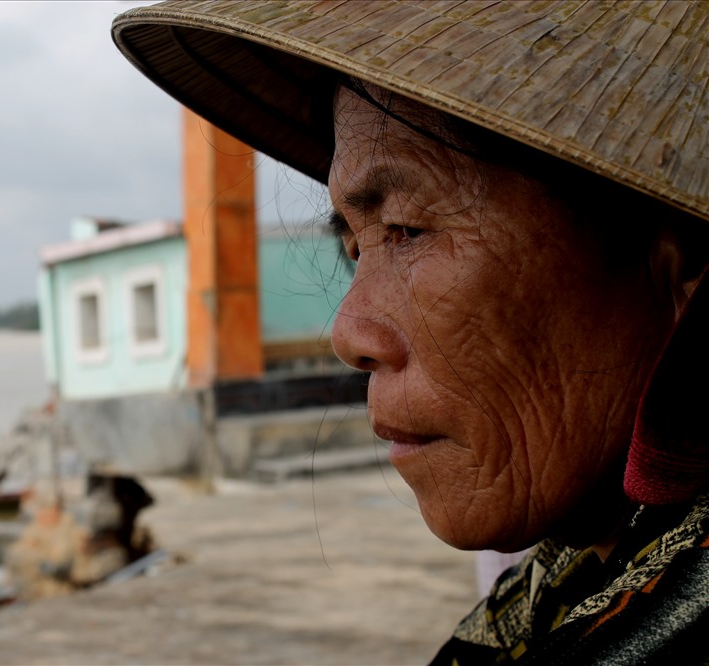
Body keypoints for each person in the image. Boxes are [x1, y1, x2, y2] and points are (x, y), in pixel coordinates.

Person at [112, 2, 707, 663]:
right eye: (355, 248)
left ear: (678, 260)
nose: (349, 334)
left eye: (407, 229)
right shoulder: (565, 599)